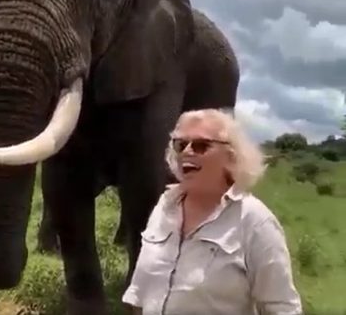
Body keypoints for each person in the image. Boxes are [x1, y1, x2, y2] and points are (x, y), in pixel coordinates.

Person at [122, 108, 302, 315]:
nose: (187, 152)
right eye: (180, 145)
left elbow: (283, 308)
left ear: (230, 157)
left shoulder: (255, 221)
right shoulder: (165, 207)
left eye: (201, 146)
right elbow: (140, 296)